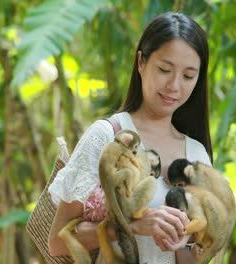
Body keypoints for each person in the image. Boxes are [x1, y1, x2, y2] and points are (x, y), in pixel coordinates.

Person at [47, 11, 213, 263]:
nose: (175, 85)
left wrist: (184, 241)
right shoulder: (107, 137)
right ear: (141, 63)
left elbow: (192, 256)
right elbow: (57, 242)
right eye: (165, 69)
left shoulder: (197, 153)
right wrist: (132, 225)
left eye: (188, 76)